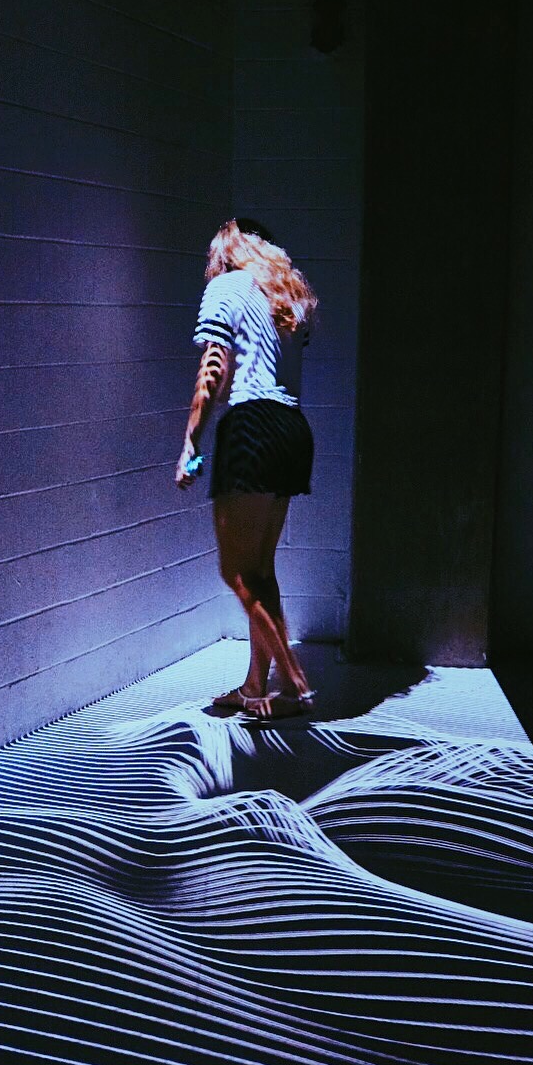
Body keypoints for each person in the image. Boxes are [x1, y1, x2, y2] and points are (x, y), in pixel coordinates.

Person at [175, 217, 318, 718]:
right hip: (292, 430)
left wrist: (190, 442)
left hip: (253, 427)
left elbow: (213, 370)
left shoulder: (227, 288)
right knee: (260, 569)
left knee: (234, 570)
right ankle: (256, 687)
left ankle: (295, 681)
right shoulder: (289, 298)